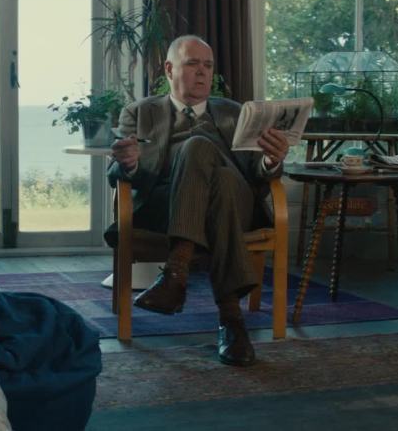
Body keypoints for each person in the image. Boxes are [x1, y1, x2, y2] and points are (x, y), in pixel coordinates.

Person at [107, 35, 289, 366]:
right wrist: (129, 163)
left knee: (209, 160)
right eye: (192, 64)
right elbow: (116, 172)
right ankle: (231, 320)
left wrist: (271, 160)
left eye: (208, 65)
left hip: (239, 200)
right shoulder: (139, 112)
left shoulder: (235, 113)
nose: (203, 73)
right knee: (211, 169)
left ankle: (176, 271)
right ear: (169, 69)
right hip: (167, 204)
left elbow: (259, 173)